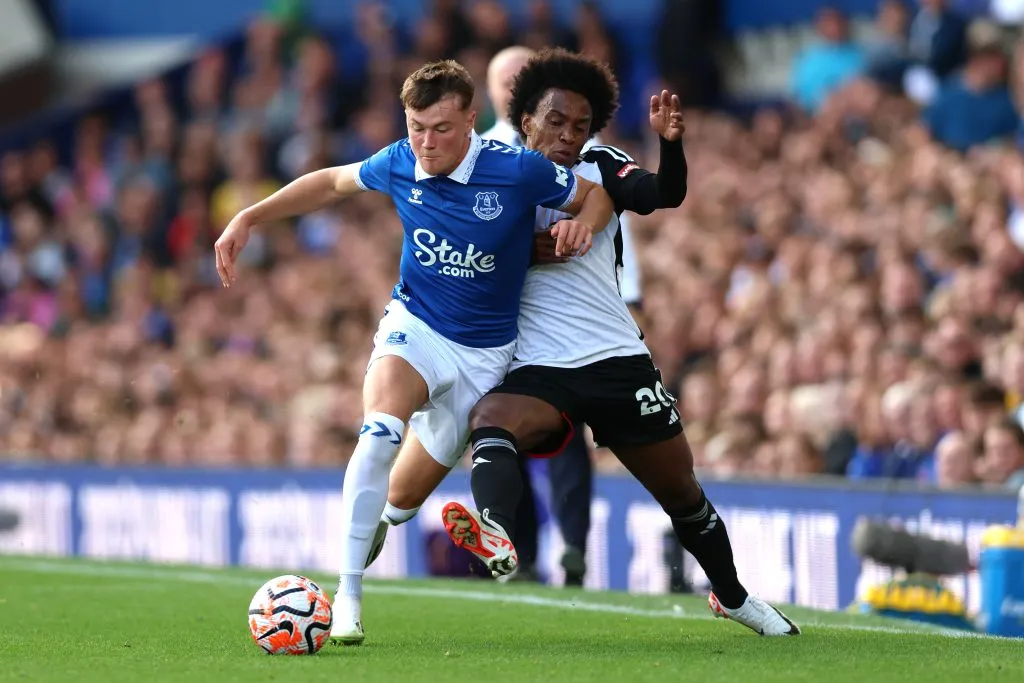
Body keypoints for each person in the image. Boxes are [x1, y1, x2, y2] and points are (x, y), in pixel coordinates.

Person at [213, 59, 614, 645]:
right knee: (378, 432)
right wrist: (249, 216)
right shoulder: (399, 160)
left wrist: (585, 226)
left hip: (484, 358)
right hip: (415, 329)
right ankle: (346, 596)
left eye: (441, 129)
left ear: (472, 121)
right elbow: (329, 183)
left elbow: (595, 197)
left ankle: (435, 534)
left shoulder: (517, 169)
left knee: (395, 507)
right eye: (416, 126)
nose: (426, 142)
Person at [437, 48, 800, 636]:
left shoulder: (602, 165)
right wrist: (526, 251)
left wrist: (672, 145)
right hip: (540, 368)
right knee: (491, 417)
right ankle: (496, 532)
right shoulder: (489, 174)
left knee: (682, 492)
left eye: (580, 126)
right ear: (525, 118)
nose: (567, 136)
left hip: (616, 362)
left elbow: (665, 193)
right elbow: (472, 259)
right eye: (555, 121)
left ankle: (733, 597)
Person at [482, 45, 645, 585]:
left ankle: (572, 544)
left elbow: (609, 213)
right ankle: (519, 551)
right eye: (502, 81)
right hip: (508, 322)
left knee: (568, 432)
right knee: (506, 432)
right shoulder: (479, 156)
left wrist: (632, 296)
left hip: (574, 323)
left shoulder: (585, 150)